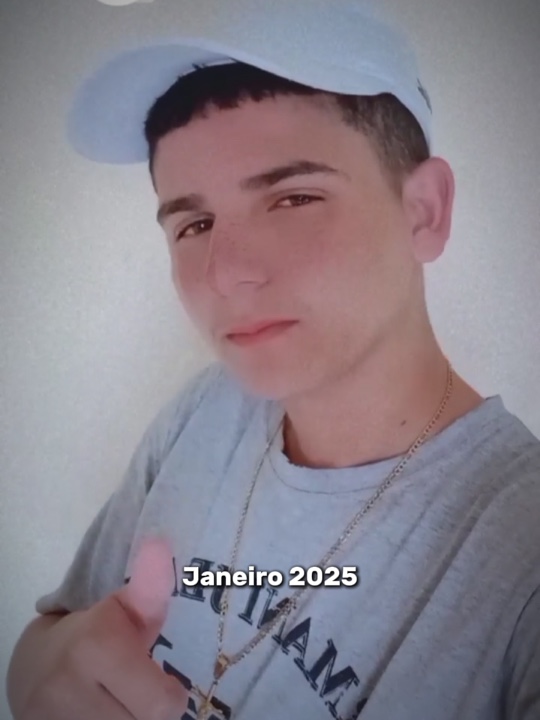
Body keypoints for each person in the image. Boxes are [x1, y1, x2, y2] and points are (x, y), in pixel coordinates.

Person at [6, 1, 540, 719]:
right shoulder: (205, 412)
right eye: (194, 223)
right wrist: (39, 673)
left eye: (293, 198)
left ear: (424, 211)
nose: (227, 273)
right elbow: (51, 645)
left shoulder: (517, 549)